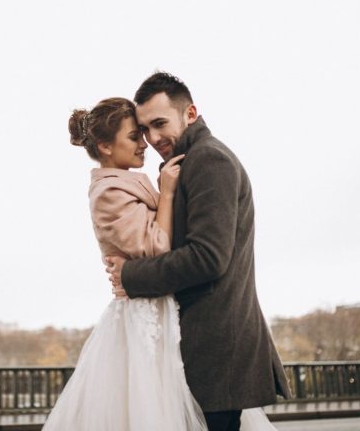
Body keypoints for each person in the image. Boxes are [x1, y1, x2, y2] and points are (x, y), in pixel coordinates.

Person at [43, 96, 275, 431]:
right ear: (106, 146)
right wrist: (166, 194)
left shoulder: (129, 182)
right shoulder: (109, 191)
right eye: (134, 136)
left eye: (144, 133)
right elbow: (157, 247)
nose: (144, 143)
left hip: (160, 313)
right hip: (144, 320)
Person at [105, 72, 291, 431]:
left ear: (190, 113)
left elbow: (208, 257)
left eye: (160, 124)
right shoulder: (189, 162)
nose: (152, 138)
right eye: (144, 129)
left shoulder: (209, 160)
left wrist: (130, 275)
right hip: (208, 349)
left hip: (216, 350)